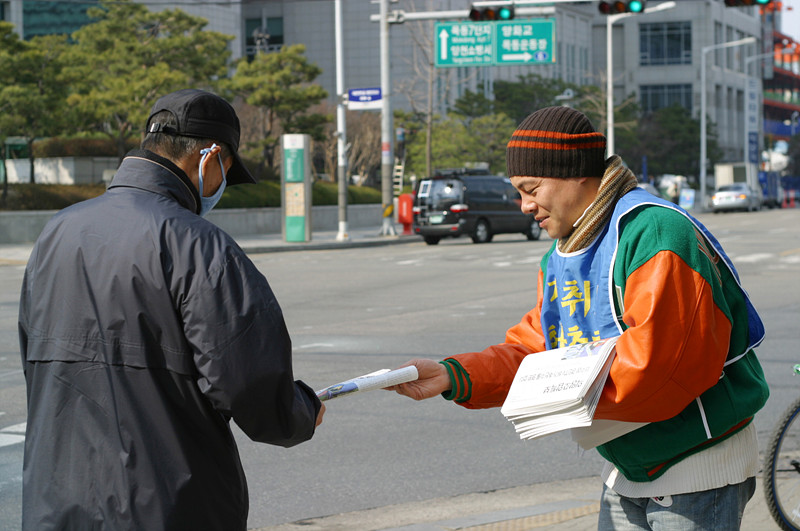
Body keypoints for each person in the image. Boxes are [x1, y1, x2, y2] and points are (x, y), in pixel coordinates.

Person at [390, 106, 768, 530]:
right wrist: (452, 375)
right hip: (624, 466)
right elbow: (536, 348)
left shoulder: (655, 232)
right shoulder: (563, 253)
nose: (524, 206)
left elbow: (660, 369)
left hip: (696, 465)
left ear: (575, 173)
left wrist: (558, 396)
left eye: (531, 188)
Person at [18, 88, 325, 530]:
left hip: (58, 499)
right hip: (166, 503)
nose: (221, 186)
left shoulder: (57, 232)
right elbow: (251, 386)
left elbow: (36, 364)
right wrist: (299, 412)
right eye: (227, 172)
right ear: (211, 157)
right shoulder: (199, 245)